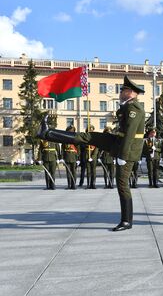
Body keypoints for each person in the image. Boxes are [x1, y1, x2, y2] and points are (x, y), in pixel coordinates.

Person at [38, 75, 145, 231]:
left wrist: (122, 156)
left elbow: (129, 134)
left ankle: (126, 221)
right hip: (118, 142)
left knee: (122, 184)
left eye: (124, 90)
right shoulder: (127, 106)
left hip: (127, 150)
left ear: (131, 93)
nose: (121, 92)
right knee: (88, 136)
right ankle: (47, 133)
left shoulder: (134, 108)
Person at [61, 125, 79, 190]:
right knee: (68, 172)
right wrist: (62, 158)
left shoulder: (75, 139)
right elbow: (62, 149)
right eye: (70, 131)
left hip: (74, 157)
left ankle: (74, 185)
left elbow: (78, 149)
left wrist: (78, 159)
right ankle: (69, 185)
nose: (71, 132)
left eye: (72, 131)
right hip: (67, 157)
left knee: (74, 172)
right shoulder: (64, 139)